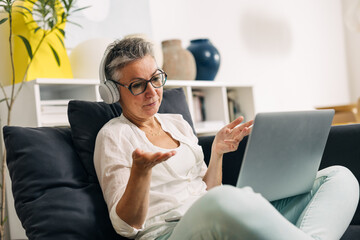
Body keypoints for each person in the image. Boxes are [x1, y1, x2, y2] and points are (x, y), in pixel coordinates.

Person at [94, 38, 359, 240]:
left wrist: (217, 153)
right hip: (170, 233)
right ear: (113, 93)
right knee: (227, 199)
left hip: (218, 220)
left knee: (338, 177)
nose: (152, 92)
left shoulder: (177, 123)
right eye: (138, 85)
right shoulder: (114, 136)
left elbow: (208, 192)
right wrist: (140, 173)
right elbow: (125, 226)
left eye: (155, 79)